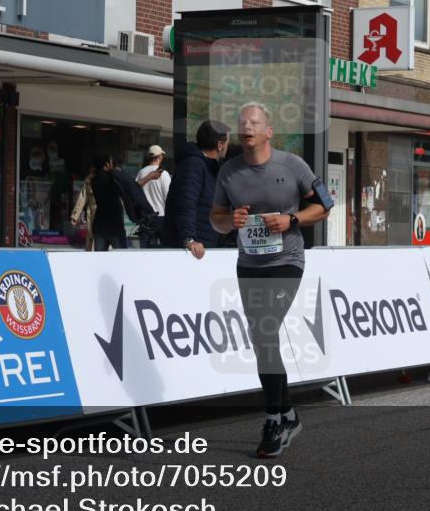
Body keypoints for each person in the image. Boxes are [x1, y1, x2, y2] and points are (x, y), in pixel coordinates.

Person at [209, 102, 330, 458]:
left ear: (268, 131)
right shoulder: (229, 172)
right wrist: (230, 221)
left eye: (254, 122)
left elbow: (325, 204)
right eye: (242, 122)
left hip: (286, 261)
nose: (246, 127)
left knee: (265, 329)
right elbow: (215, 218)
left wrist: (292, 220)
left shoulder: (291, 165)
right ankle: (289, 414)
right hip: (249, 264)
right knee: (263, 340)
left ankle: (273, 419)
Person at [163, 120, 229, 259]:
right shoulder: (194, 164)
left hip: (203, 248)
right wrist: (189, 238)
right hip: (190, 251)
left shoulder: (209, 167)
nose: (228, 147)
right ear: (220, 145)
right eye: (227, 143)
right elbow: (186, 202)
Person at [135, 145, 171, 248]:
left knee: (145, 251)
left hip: (145, 218)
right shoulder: (164, 174)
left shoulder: (141, 173)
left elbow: (135, 193)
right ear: (160, 157)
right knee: (164, 249)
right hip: (161, 217)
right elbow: (168, 197)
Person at [91, 152, 128, 250]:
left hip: (99, 225)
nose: (112, 164)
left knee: (100, 257)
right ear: (106, 164)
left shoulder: (94, 180)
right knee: (121, 256)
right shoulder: (112, 178)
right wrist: (149, 177)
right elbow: (129, 188)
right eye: (111, 161)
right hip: (114, 225)